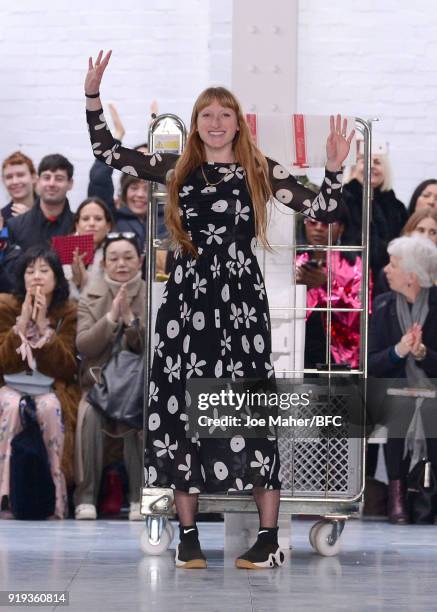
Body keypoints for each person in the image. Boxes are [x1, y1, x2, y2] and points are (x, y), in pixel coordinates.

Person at [84, 49, 354, 569]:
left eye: (224, 114)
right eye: (206, 114)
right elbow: (108, 152)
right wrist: (93, 96)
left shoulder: (258, 168)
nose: (215, 122)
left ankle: (268, 537)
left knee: (249, 410)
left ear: (236, 124)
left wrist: (334, 169)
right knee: (183, 410)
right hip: (186, 301)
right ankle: (188, 537)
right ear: (196, 123)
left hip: (239, 304)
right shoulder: (177, 166)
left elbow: (324, 208)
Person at [0, 246, 79, 519]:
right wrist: (22, 321)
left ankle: (54, 501)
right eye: (30, 271)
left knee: (50, 408)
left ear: (57, 278)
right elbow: (3, 362)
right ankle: (6, 498)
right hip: (9, 384)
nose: (37, 277)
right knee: (10, 406)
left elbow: (68, 368)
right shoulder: (5, 306)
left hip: (51, 386)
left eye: (44, 271)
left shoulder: (68, 312)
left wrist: (44, 325)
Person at [74, 233, 145, 521]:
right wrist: (111, 318)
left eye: (128, 257)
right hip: (98, 385)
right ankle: (85, 498)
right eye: (114, 258)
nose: (122, 264)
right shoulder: (89, 295)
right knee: (88, 414)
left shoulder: (151, 293)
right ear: (103, 263)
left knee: (139, 417)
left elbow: (150, 346)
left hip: (137, 386)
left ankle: (141, 498)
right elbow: (84, 345)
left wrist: (131, 321)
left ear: (140, 260)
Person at [368, 235, 437, 524]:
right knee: (398, 402)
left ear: (411, 275)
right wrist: (399, 351)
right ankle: (397, 495)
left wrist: (422, 353)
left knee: (428, 407)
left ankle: (427, 495)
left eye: (393, 264)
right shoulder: (383, 306)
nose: (386, 269)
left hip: (432, 392)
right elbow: (371, 363)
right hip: (395, 392)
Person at [295, 206, 366, 370]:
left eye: (327, 224)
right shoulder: (292, 260)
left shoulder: (354, 266)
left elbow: (360, 316)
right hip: (295, 345)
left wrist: (328, 287)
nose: (318, 229)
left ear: (341, 228)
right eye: (312, 222)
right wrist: (297, 287)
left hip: (338, 354)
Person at [342, 144, 407, 281]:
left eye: (377, 162)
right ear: (354, 168)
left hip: (387, 278)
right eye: (364, 161)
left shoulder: (397, 207)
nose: (371, 166)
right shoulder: (342, 200)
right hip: (347, 275)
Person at [7, 154, 75, 252]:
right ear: (38, 181)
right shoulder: (14, 227)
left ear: (70, 183)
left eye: (59, 178)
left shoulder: (78, 227)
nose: (51, 184)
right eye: (46, 177)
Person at [374, 208, 437, 296]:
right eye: (421, 230)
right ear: (409, 232)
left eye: (433, 232)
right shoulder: (389, 272)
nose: (426, 237)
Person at [64, 196, 114, 300]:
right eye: (85, 219)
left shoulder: (116, 252)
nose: (91, 223)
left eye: (98, 219)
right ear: (77, 225)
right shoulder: (62, 251)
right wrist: (76, 280)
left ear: (108, 226)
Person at [1, 151, 38, 227]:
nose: (15, 181)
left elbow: (62, 237)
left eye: (20, 175)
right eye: (9, 177)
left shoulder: (53, 211)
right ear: (4, 181)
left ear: (33, 178)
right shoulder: (2, 217)